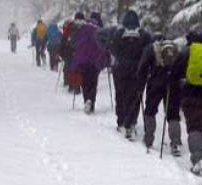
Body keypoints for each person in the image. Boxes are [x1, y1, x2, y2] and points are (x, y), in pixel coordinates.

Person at [169, 31, 202, 175]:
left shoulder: (185, 53)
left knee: (194, 126)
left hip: (190, 94)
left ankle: (197, 157)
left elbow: (174, 75)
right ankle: (200, 151)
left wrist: (174, 92)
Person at [106, 10, 153, 140]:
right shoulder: (144, 35)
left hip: (120, 70)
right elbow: (149, 51)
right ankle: (131, 122)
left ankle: (121, 121)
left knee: (120, 94)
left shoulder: (119, 34)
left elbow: (113, 49)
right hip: (138, 71)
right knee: (135, 96)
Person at [136, 34, 183, 153]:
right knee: (173, 114)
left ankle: (149, 139)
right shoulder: (175, 48)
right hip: (172, 84)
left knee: (150, 111)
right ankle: (175, 143)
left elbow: (142, 68)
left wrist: (140, 87)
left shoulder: (151, 49)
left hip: (155, 84)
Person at [70, 13, 109, 114]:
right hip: (95, 62)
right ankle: (91, 102)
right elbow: (104, 48)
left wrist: (75, 59)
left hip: (83, 61)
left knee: (85, 82)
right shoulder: (100, 31)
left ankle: (86, 100)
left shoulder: (82, 30)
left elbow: (77, 45)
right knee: (93, 83)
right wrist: (106, 61)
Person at [60, 16, 81, 94]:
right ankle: (77, 87)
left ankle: (70, 85)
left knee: (69, 68)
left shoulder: (66, 29)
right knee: (77, 69)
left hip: (68, 52)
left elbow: (62, 42)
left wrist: (61, 54)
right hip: (77, 52)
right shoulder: (78, 29)